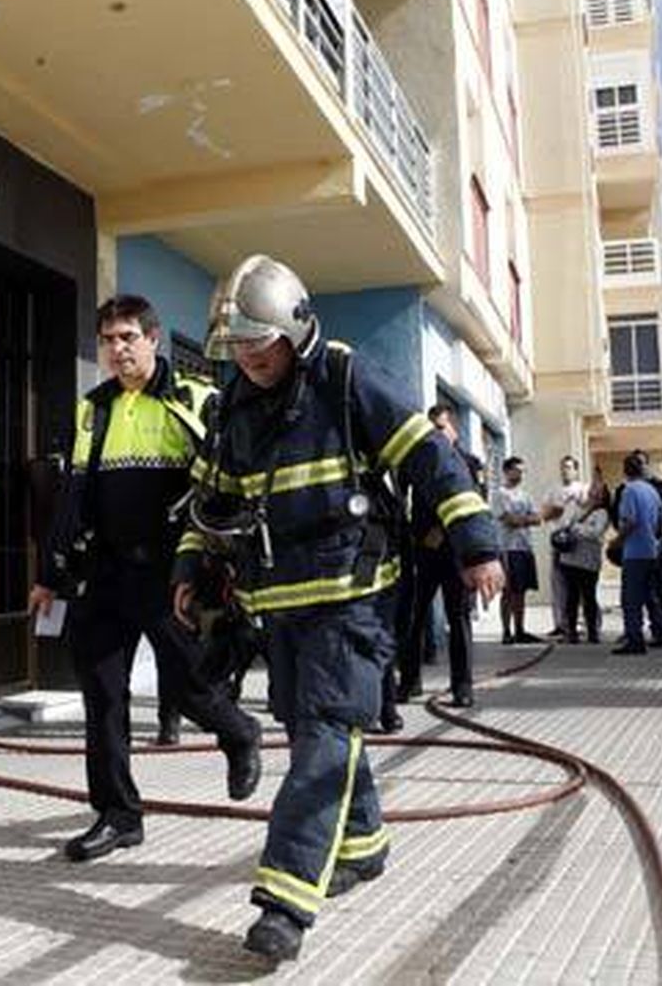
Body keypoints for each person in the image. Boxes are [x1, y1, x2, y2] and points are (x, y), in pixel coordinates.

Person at [172, 255, 503, 961]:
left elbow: (431, 458)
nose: (249, 357)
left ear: (295, 329)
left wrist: (477, 545)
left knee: (324, 733)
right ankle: (364, 842)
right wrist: (190, 565)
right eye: (237, 345)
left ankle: (285, 900)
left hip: (352, 599)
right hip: (278, 604)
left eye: (260, 342)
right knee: (314, 730)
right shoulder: (234, 404)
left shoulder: (347, 378)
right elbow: (210, 497)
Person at [28, 295, 263, 863]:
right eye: (109, 340)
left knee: (186, 685)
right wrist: (49, 575)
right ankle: (118, 815)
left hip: (170, 573)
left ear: (154, 339)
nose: (118, 349)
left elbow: (227, 485)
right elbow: (73, 498)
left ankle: (238, 732)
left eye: (128, 337)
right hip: (103, 574)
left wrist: (222, 563)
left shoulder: (195, 398)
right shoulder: (93, 409)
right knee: (102, 696)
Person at [396, 405, 487, 707]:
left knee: (458, 618)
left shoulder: (469, 463)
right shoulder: (416, 462)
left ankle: (462, 686)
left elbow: (474, 506)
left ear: (453, 430)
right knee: (413, 617)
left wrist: (443, 531)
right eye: (431, 428)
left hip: (454, 553)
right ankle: (409, 682)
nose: (435, 433)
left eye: (441, 427)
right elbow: (401, 501)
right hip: (422, 550)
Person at [611, 452, 662, 655]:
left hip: (634, 553)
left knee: (631, 599)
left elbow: (629, 521)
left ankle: (634, 639)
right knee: (652, 595)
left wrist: (617, 541)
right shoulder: (651, 490)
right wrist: (655, 538)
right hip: (651, 551)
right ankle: (661, 630)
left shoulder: (629, 491)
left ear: (625, 471)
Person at [492, 456, 542, 644]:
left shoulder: (525, 495)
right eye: (517, 470)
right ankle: (506, 631)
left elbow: (537, 518)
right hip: (507, 548)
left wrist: (524, 520)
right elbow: (509, 520)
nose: (521, 474)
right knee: (508, 590)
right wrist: (526, 519)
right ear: (507, 471)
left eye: (523, 471)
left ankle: (520, 630)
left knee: (521, 591)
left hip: (524, 547)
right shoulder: (499, 494)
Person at [540, 456, 590, 638]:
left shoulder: (583, 489)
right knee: (558, 584)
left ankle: (584, 623)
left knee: (579, 585)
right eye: (563, 467)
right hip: (558, 541)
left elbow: (589, 509)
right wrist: (555, 510)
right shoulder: (553, 490)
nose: (565, 471)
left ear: (576, 470)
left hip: (576, 542)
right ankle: (560, 624)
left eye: (569, 467)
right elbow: (543, 514)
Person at [557, 479, 610, 643]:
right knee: (571, 597)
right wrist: (575, 527)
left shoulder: (602, 513)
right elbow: (563, 524)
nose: (594, 492)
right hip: (570, 559)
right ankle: (571, 631)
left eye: (598, 490)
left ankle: (592, 631)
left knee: (589, 597)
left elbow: (595, 533)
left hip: (589, 562)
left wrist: (575, 528)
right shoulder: (575, 507)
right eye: (593, 488)